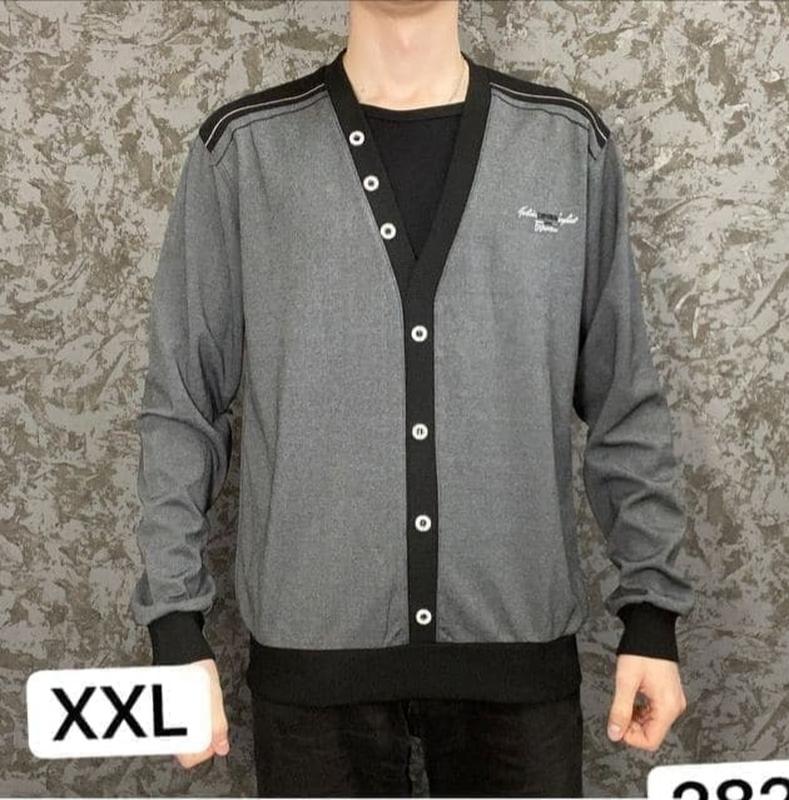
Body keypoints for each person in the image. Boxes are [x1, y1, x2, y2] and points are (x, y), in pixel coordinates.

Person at [128, 0, 694, 796]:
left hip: (518, 663)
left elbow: (623, 399)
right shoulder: (246, 151)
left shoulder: (566, 146)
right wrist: (175, 627)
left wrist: (651, 616)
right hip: (312, 671)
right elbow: (182, 406)